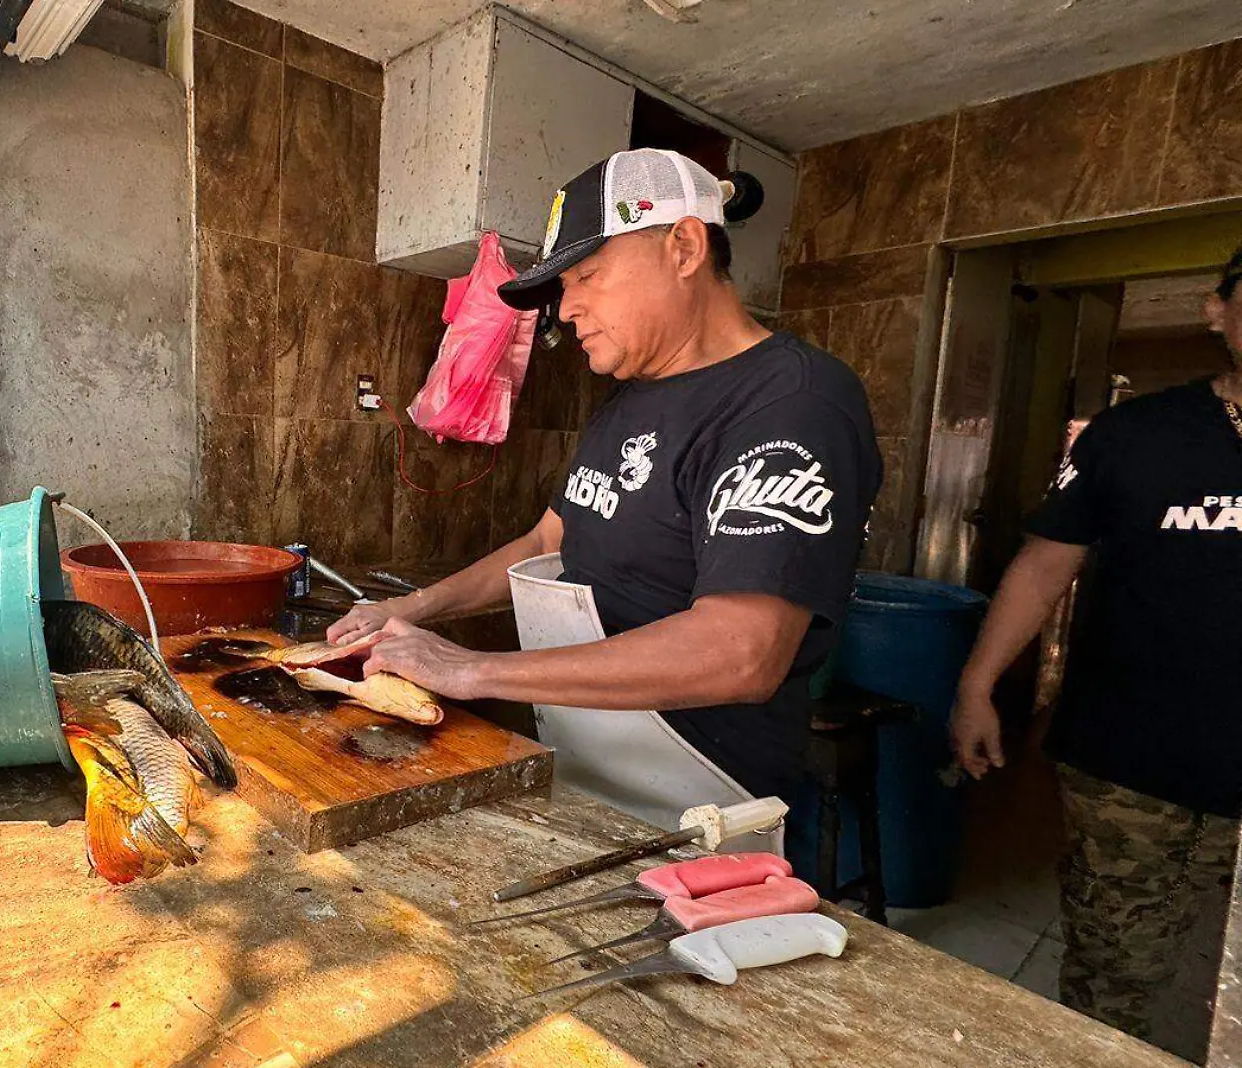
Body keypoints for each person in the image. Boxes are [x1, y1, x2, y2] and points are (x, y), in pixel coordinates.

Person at [332, 149, 882, 833]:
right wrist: (411, 609)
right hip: (592, 770)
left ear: (683, 246)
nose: (568, 311)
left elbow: (743, 650)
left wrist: (474, 670)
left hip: (702, 808)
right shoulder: (629, 399)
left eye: (588, 276)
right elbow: (547, 540)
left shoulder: (792, 403)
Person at [950, 247, 1242, 1045]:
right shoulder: (1132, 434)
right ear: (1218, 309)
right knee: (1114, 980)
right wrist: (979, 684)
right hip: (1131, 770)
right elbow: (1045, 565)